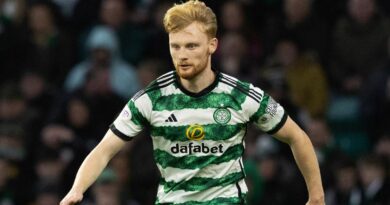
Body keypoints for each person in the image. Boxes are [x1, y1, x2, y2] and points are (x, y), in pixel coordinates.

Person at [60, 1, 325, 204]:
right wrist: (77, 189)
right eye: (175, 46)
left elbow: (297, 137)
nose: (182, 55)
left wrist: (316, 196)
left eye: (191, 46)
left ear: (212, 45)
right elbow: (105, 149)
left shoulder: (241, 95)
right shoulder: (151, 99)